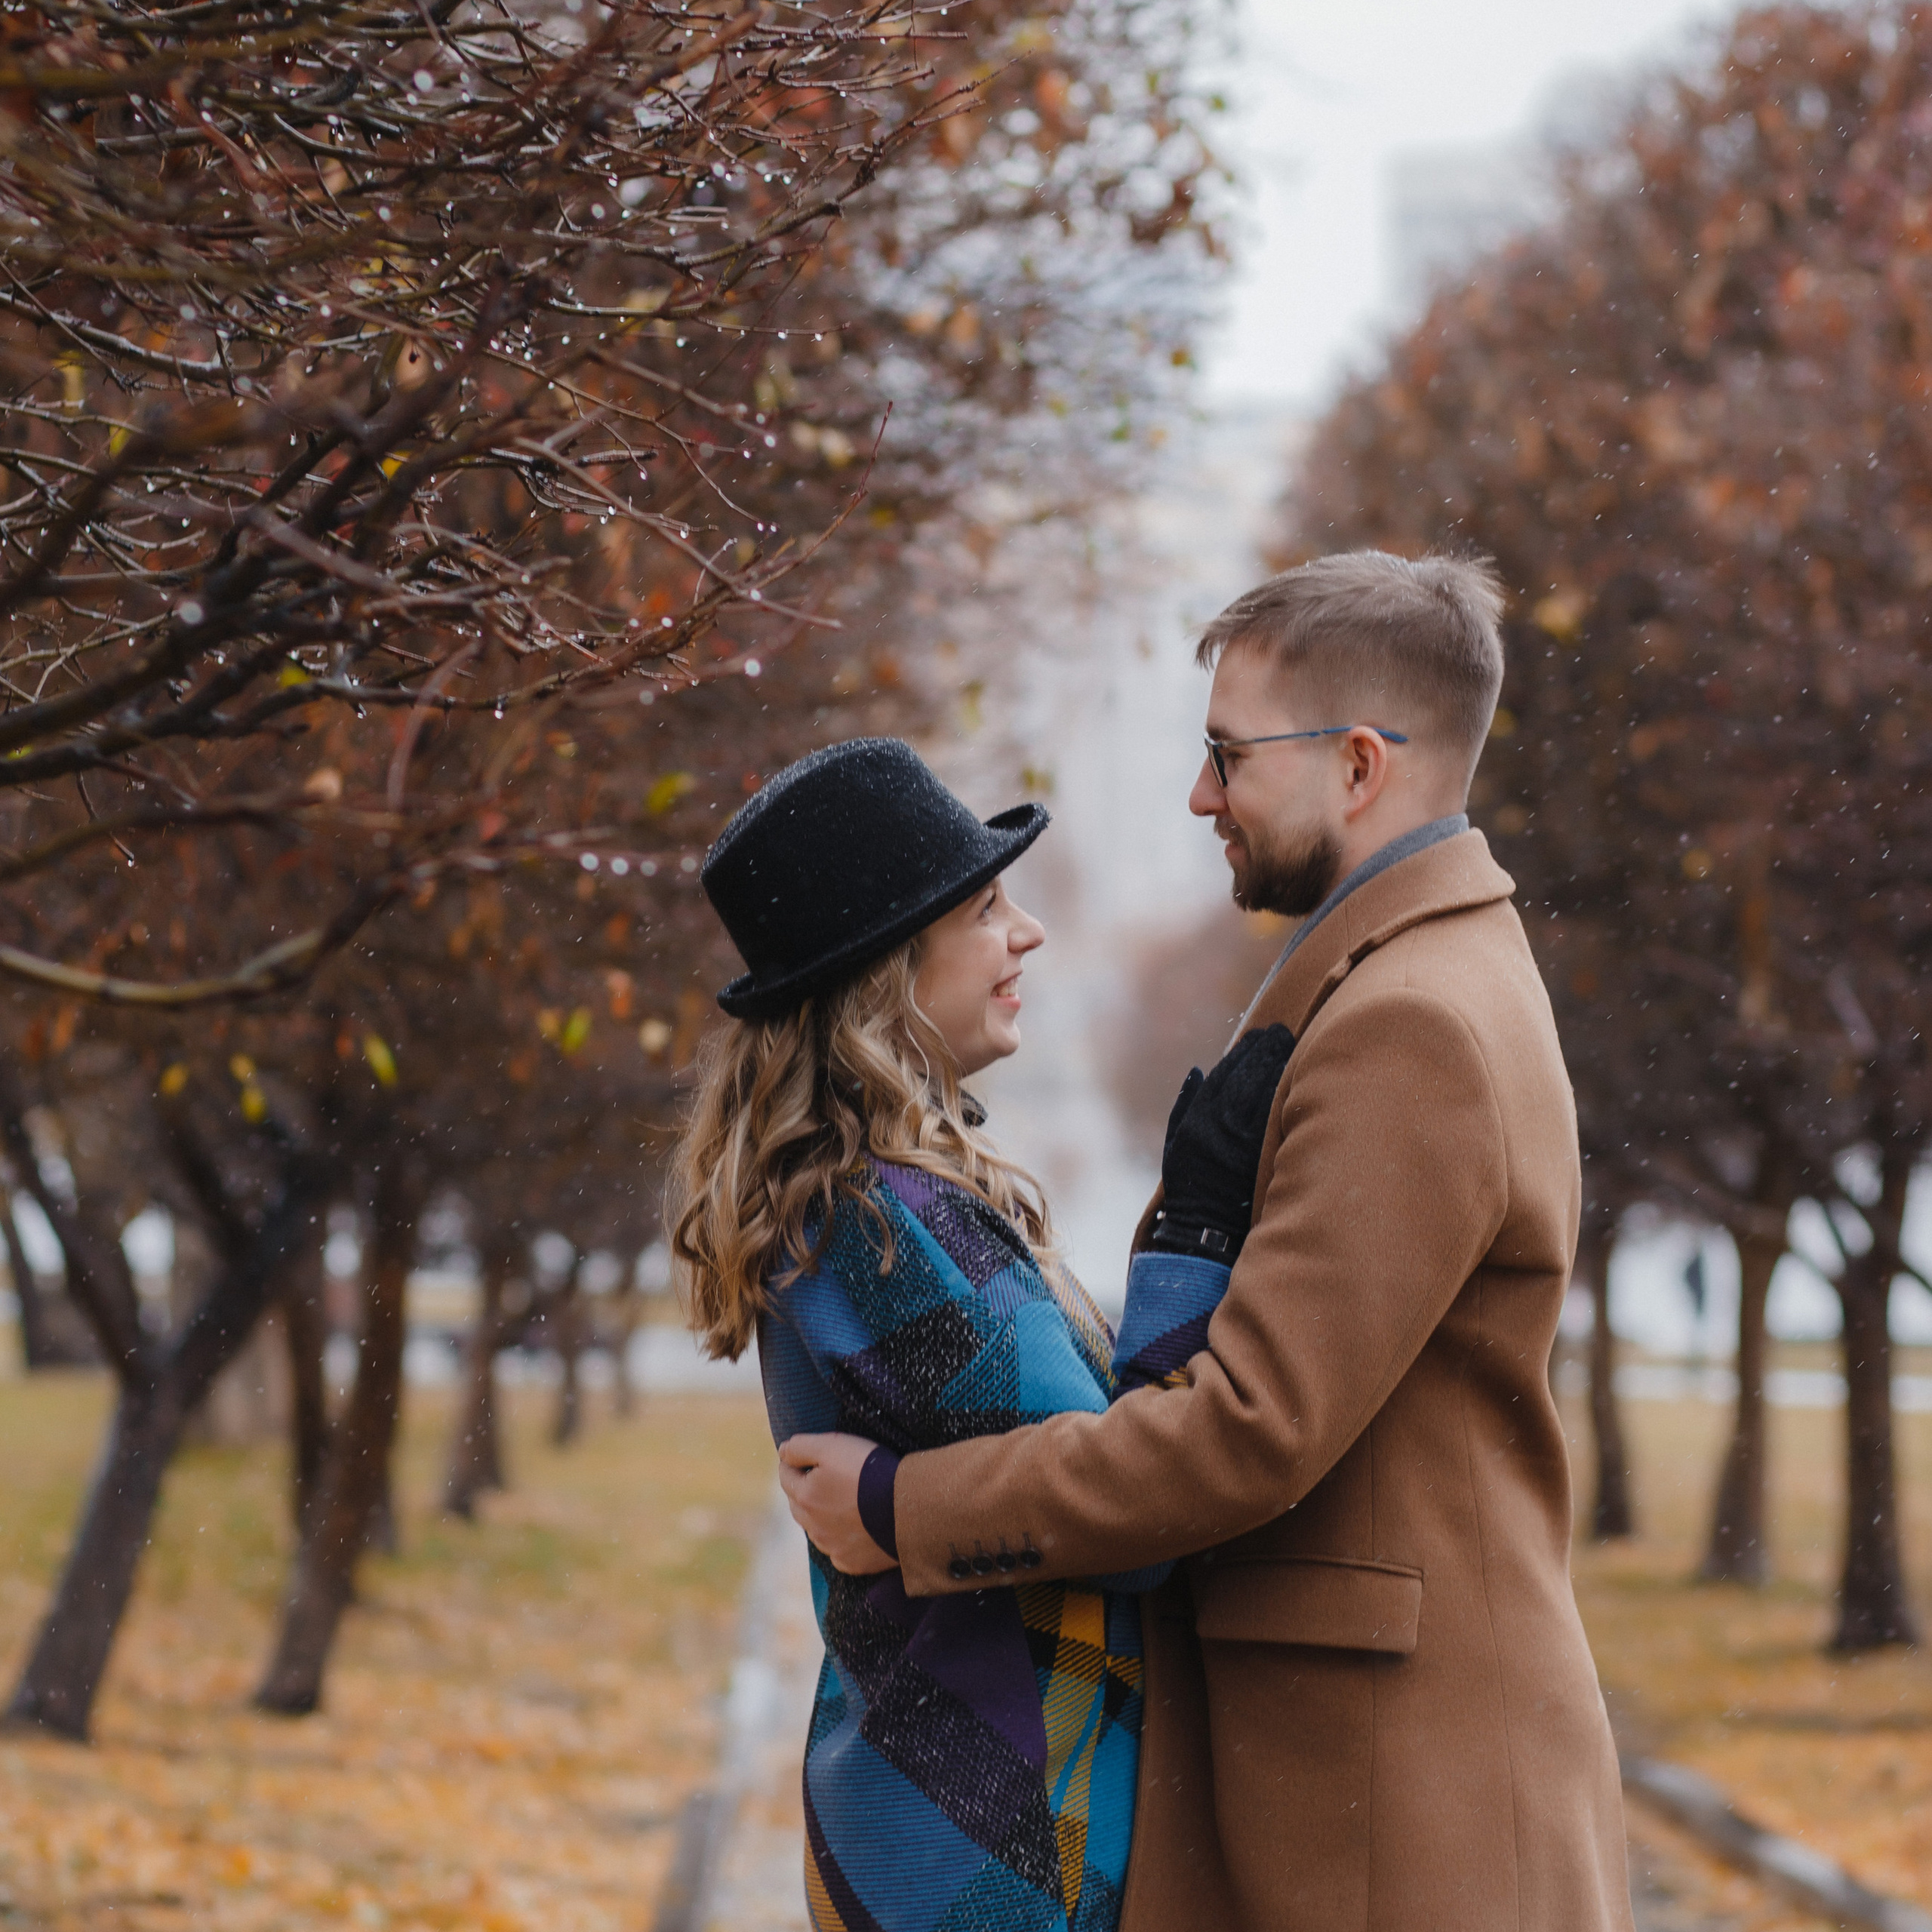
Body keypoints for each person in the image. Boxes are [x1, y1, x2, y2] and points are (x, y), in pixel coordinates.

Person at [778, 555, 1638, 1932]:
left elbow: (1247, 1430)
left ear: (1359, 766)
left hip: (1396, 1812)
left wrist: (901, 1512)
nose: (1200, 796)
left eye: (1227, 756)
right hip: (1362, 1785)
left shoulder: (1409, 1023)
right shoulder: (1403, 983)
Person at [670, 737, 1291, 1932]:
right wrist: (1194, 1240)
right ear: (888, 970)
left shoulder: (873, 1202)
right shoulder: (883, 1221)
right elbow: (1127, 1508)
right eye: (987, 908)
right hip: (995, 1843)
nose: (1028, 934)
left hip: (952, 1809)